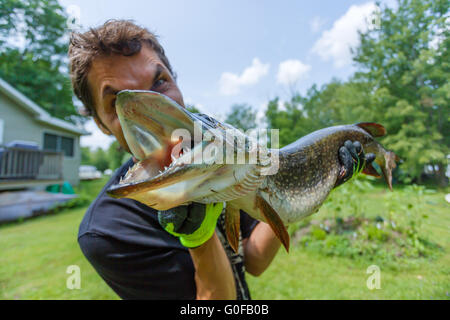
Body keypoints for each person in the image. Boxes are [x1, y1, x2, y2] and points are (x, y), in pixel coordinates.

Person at [68, 20, 374, 300]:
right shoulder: (108, 233)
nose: (150, 108)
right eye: (117, 100)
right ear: (100, 124)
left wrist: (319, 180)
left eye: (160, 82)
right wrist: (198, 238)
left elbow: (254, 260)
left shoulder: (225, 160)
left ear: (176, 81)